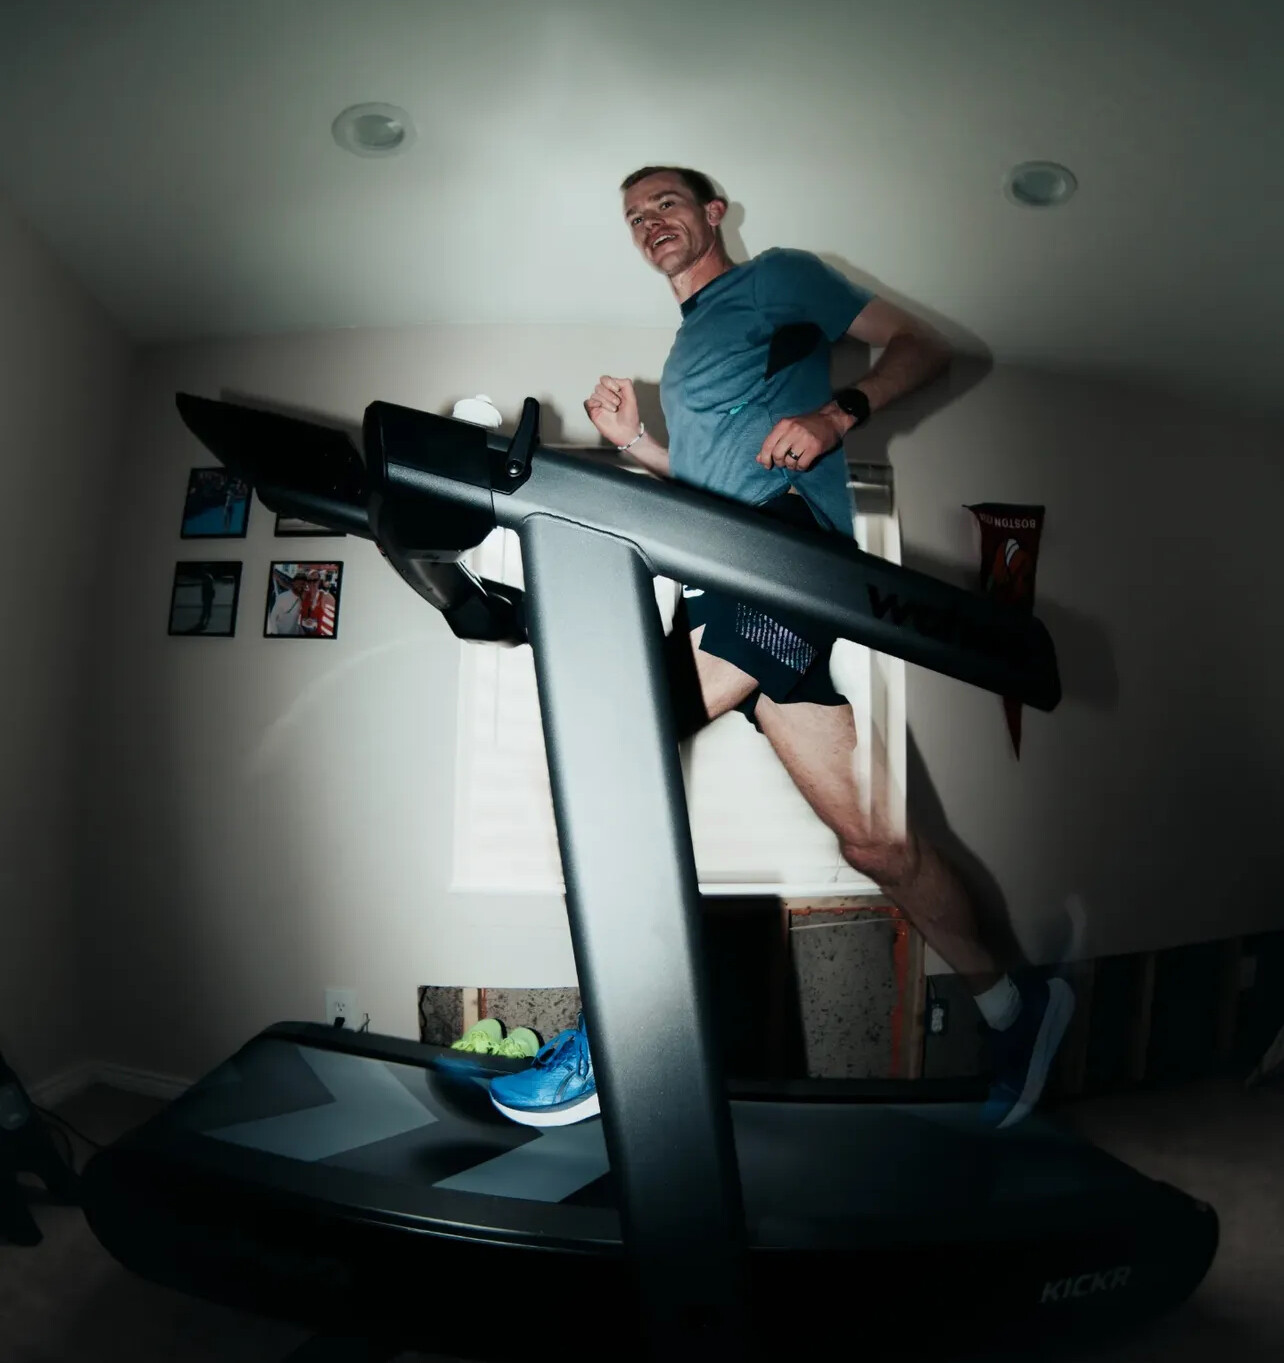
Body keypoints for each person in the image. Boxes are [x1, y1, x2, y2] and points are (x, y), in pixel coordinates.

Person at [488, 166, 1074, 1131]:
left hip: (778, 554)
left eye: (667, 203)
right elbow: (709, 487)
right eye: (634, 216)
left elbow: (923, 345)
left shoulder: (779, 281)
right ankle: (1020, 1007)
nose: (649, 222)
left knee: (614, 747)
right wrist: (638, 445)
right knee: (875, 842)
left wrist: (837, 415)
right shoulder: (685, 350)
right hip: (726, 564)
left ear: (713, 212)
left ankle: (620, 1035)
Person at [267, 570, 307, 636]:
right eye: (298, 583)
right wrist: (275, 635)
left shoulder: (302, 597)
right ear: (293, 583)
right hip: (281, 634)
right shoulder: (282, 597)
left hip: (294, 633)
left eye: (302, 584)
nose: (300, 586)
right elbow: (273, 617)